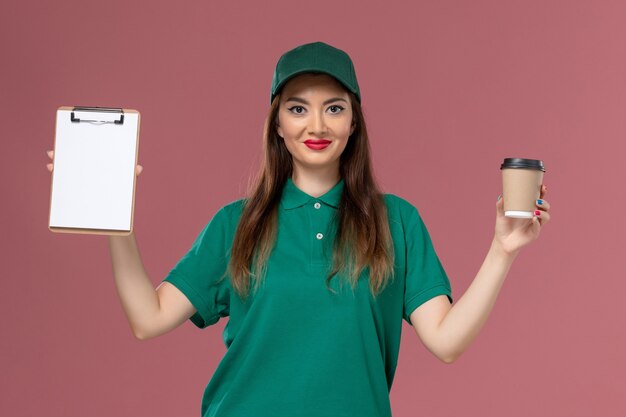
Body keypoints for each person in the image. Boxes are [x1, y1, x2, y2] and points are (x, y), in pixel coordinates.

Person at [46, 41, 551, 417]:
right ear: (278, 126)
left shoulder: (395, 220)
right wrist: (116, 222)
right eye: (297, 108)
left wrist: (502, 251)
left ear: (354, 123)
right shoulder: (235, 224)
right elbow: (147, 318)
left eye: (334, 108)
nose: (317, 126)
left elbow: (446, 341)